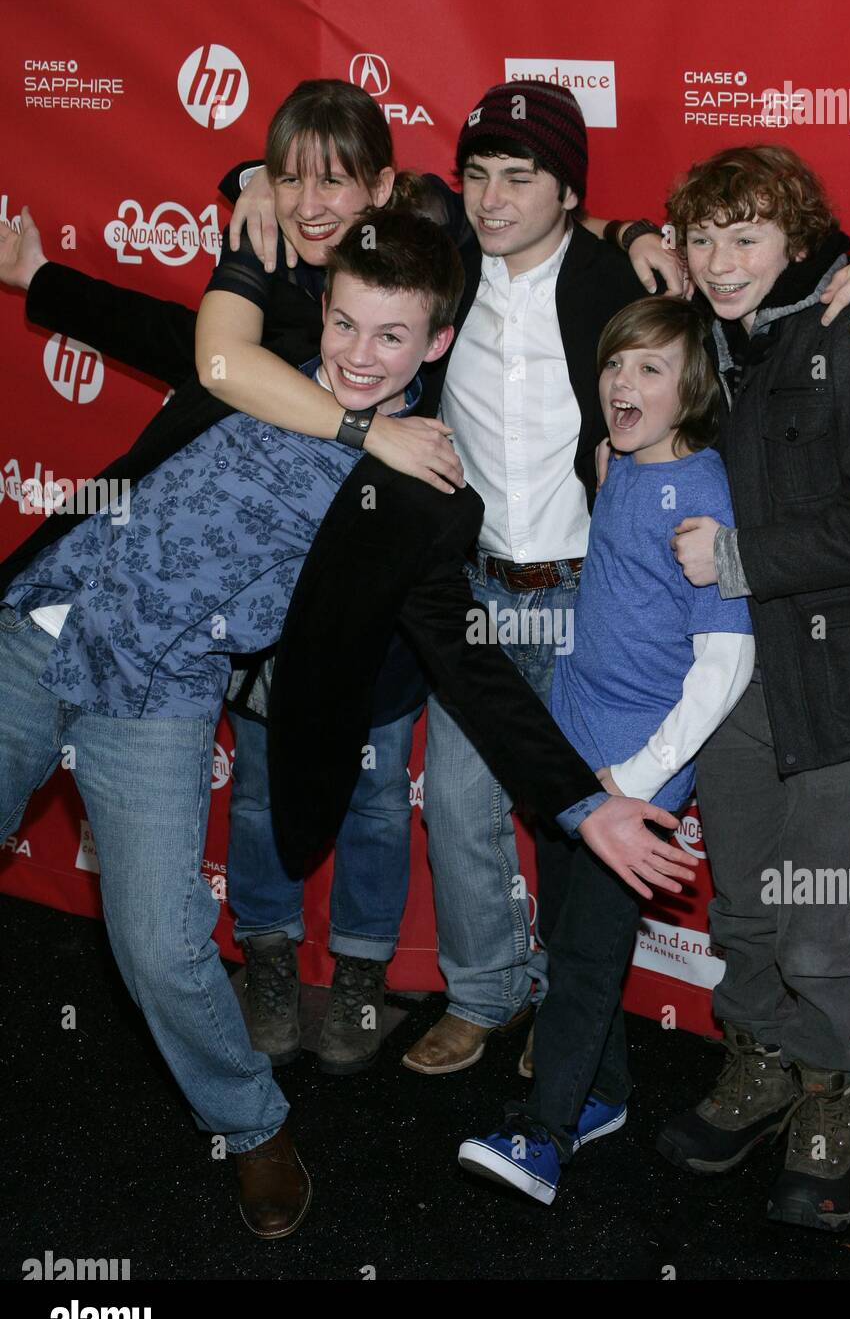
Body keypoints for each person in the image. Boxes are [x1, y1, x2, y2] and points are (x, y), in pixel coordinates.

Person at [0, 208, 694, 1241]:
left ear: (436, 344)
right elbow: (151, 328)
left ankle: (248, 1124)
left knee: (160, 943)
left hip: (157, 692)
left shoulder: (422, 496)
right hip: (37, 624)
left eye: (391, 337)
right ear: (322, 311)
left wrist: (583, 801)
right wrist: (36, 273)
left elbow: (468, 661)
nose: (359, 356)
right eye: (346, 325)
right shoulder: (255, 362)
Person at [385, 81, 850, 1077]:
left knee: (610, 835)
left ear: (568, 194)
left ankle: (583, 1020)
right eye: (478, 177)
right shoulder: (449, 267)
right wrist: (247, 181)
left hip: (615, 604)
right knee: (464, 802)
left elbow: (801, 297)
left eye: (520, 176)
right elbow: (364, 211)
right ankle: (487, 994)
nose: (493, 198)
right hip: (491, 593)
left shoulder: (638, 287)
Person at [659, 144, 850, 1231]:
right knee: (739, 897)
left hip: (846, 674)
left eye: (745, 238)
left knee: (814, 918)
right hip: (740, 670)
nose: (721, 260)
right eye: (703, 237)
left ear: (798, 244)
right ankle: (760, 1066)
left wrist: (736, 557)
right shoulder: (712, 333)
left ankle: (833, 1092)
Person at [458, 295, 755, 1203]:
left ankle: (544, 1140)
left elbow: (727, 663)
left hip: (633, 778)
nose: (623, 383)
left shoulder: (704, 496)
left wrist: (638, 776)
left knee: (586, 957)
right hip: (569, 750)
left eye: (650, 369)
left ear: (693, 386)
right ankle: (604, 1095)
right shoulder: (615, 462)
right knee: (569, 935)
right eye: (615, 365)